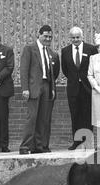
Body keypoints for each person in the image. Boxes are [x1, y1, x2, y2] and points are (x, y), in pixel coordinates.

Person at [19, 25, 60, 154]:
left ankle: (39, 146)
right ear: (39, 35)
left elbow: (53, 72)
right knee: (32, 117)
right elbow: (24, 70)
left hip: (46, 86)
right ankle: (25, 146)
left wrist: (52, 88)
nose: (48, 39)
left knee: (43, 118)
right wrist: (25, 88)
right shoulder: (29, 49)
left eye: (50, 37)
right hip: (33, 87)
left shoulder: (50, 52)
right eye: (45, 36)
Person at [61, 27, 98, 150]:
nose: (75, 39)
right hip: (73, 88)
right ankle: (77, 142)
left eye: (78, 37)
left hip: (87, 87)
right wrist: (75, 79)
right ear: (70, 38)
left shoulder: (91, 49)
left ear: (82, 37)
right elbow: (65, 70)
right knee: (75, 115)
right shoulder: (65, 51)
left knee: (87, 114)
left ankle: (88, 141)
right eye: (73, 37)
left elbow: (94, 67)